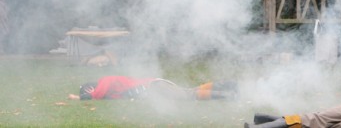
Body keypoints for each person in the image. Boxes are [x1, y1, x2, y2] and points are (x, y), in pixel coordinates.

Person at [67, 75, 238, 101]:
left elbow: (98, 93)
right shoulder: (110, 91)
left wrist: (80, 97)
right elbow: (106, 96)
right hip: (155, 85)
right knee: (190, 91)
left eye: (87, 90)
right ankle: (227, 86)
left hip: (155, 87)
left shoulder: (104, 81)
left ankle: (228, 94)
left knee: (188, 95)